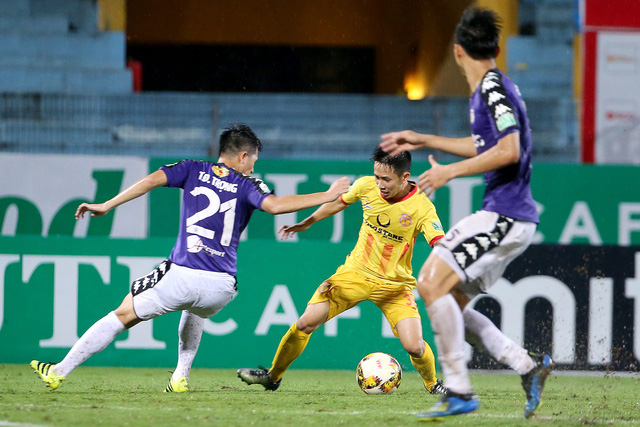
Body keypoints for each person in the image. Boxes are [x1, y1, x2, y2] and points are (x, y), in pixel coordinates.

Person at [30, 123, 350, 392]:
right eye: (252, 160)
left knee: (122, 314)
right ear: (242, 156)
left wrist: (107, 204)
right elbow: (277, 206)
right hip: (223, 287)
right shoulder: (249, 183)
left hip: (183, 274)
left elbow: (150, 181)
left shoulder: (191, 168)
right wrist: (326, 194)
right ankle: (180, 377)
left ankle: (58, 371)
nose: (253, 166)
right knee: (195, 309)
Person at [379, 7, 553, 420]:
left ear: (458, 52)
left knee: (428, 283)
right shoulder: (494, 88)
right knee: (451, 303)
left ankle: (459, 390)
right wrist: (425, 139)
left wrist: (448, 172)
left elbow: (508, 151)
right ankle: (527, 366)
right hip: (512, 218)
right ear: (495, 47)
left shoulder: (492, 89)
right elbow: (487, 146)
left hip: (505, 215)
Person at [237, 147, 447, 395]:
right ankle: (273, 376)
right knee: (305, 322)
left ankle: (433, 384)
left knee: (414, 346)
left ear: (405, 177)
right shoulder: (366, 186)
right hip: (354, 275)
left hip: (395, 286)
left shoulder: (422, 207)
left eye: (386, 179)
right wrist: (308, 222)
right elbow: (337, 203)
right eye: (377, 177)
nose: (379, 184)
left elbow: (440, 244)